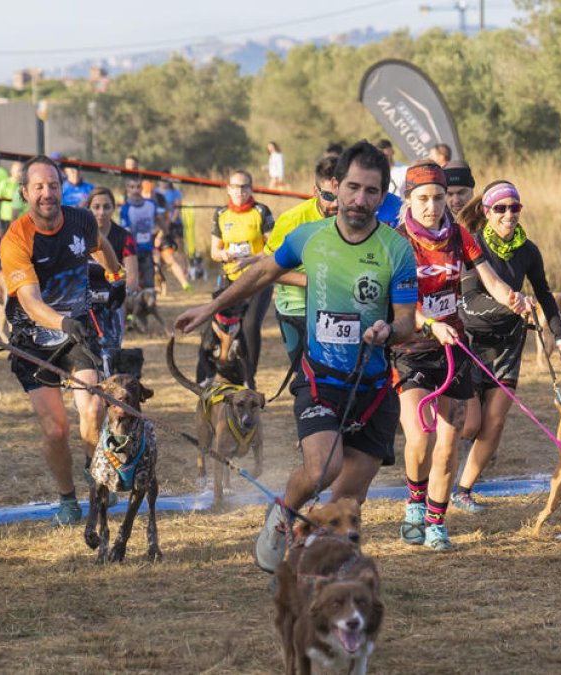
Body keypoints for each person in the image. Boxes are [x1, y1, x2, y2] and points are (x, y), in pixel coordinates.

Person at [174, 140, 417, 574]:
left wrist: (388, 331)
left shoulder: (396, 250)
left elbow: (406, 323)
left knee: (346, 501)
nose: (360, 200)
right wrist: (211, 307)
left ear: (383, 196)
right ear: (336, 186)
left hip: (375, 388)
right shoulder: (309, 236)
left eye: (372, 192)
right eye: (353, 188)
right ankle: (283, 512)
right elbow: (262, 272)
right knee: (324, 469)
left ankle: (314, 569)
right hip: (321, 379)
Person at [391, 164, 531, 551]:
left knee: (449, 443)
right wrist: (429, 323)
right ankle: (414, 505)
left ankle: (436, 521)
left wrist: (512, 298)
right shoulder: (396, 242)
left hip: (451, 350)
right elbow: (396, 304)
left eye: (438, 198)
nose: (432, 207)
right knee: (420, 438)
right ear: (408, 200)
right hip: (409, 350)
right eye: (422, 199)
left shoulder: (459, 236)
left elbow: (489, 278)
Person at [0, 156, 122, 526]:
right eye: (38, 187)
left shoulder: (81, 220)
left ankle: (95, 470)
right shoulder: (16, 239)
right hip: (34, 338)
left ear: (61, 189)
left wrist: (117, 276)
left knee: (93, 408)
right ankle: (67, 500)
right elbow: (31, 303)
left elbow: (100, 246)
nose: (47, 193)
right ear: (25, 193)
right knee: (55, 428)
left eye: (53, 185)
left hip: (77, 333)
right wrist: (63, 321)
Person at [454, 181, 561, 513]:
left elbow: (545, 295)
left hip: (508, 345)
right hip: (471, 343)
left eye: (515, 208)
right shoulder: (472, 246)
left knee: (494, 423)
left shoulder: (528, 250)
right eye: (501, 208)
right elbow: (469, 303)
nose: (509, 214)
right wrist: (512, 304)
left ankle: (463, 490)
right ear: (486, 211)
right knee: (470, 425)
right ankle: (435, 471)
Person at [263, 155, 339, 367]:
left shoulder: (353, 218)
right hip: (297, 309)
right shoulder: (292, 220)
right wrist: (314, 281)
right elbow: (270, 269)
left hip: (339, 308)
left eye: (342, 196)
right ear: (315, 191)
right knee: (305, 377)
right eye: (328, 196)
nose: (336, 204)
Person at [201, 170, 274, 388]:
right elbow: (215, 251)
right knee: (214, 327)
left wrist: (250, 261)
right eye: (235, 187)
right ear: (228, 189)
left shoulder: (261, 211)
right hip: (230, 279)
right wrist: (222, 255)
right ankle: (207, 377)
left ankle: (249, 377)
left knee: (250, 326)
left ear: (251, 188)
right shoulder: (221, 214)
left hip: (258, 279)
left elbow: (272, 249)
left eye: (244, 187)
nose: (240, 191)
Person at [86, 187, 139, 361]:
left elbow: (131, 277)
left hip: (112, 303)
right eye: (96, 207)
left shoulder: (125, 237)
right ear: (89, 208)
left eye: (107, 207)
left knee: (110, 356)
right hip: (82, 304)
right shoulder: (79, 235)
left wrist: (123, 293)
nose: (101, 212)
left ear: (113, 209)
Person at [0, 161, 25, 232]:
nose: (21, 173)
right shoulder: (4, 183)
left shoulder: (24, 185)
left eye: (22, 170)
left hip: (21, 220)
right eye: (18, 170)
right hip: (6, 220)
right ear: (12, 171)